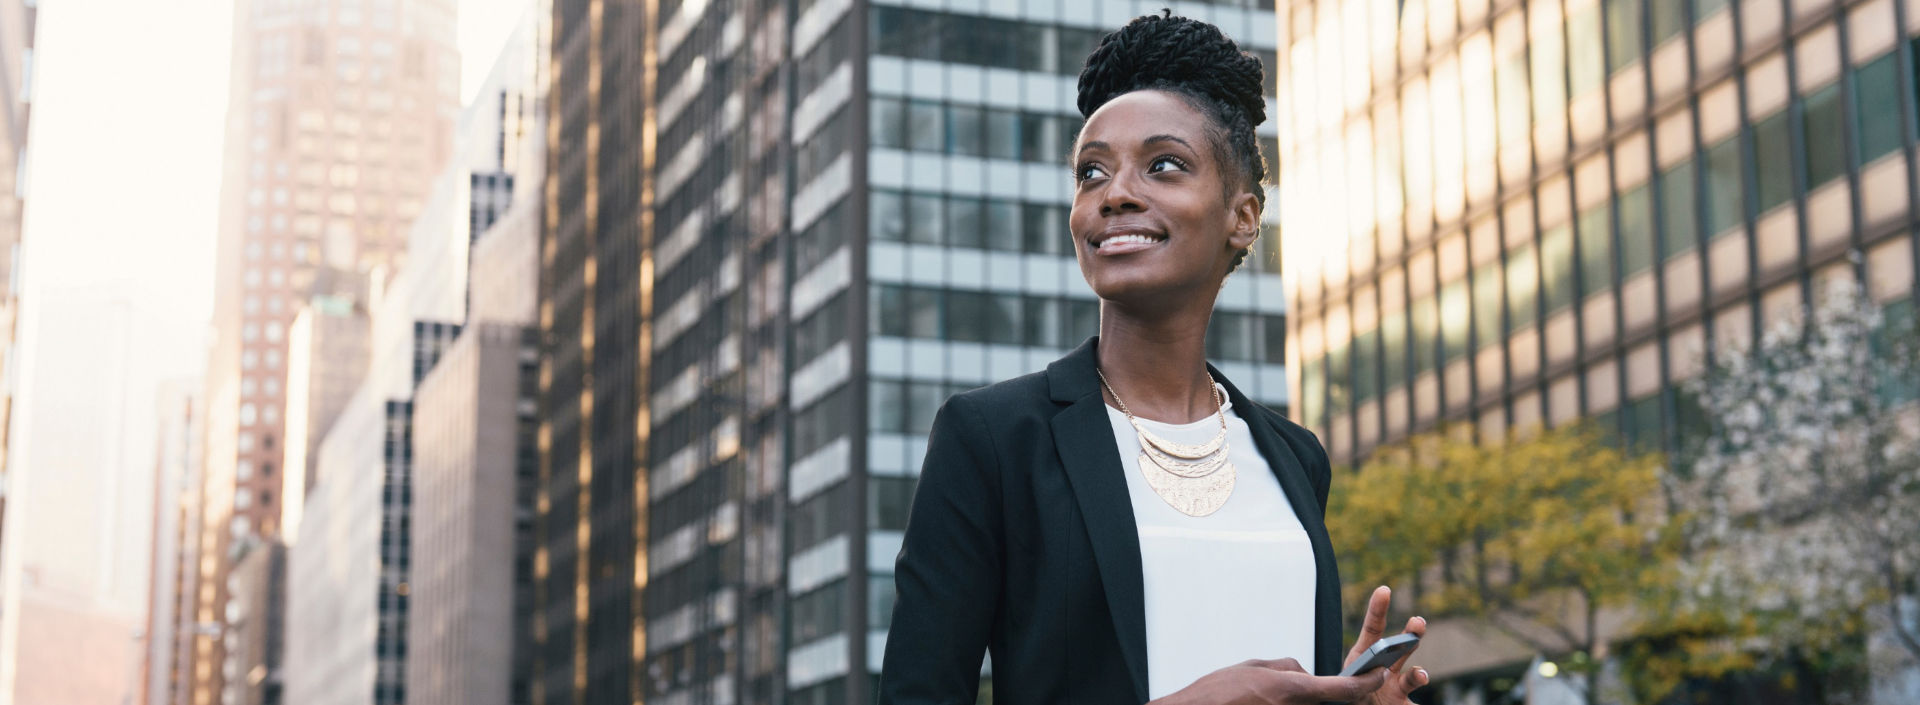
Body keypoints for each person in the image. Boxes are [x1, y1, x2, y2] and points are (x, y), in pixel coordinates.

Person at [875, 11, 1430, 705]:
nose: (1115, 193)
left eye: (1163, 165)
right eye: (1091, 172)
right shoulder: (992, 439)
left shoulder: (1295, 455)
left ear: (1243, 216)